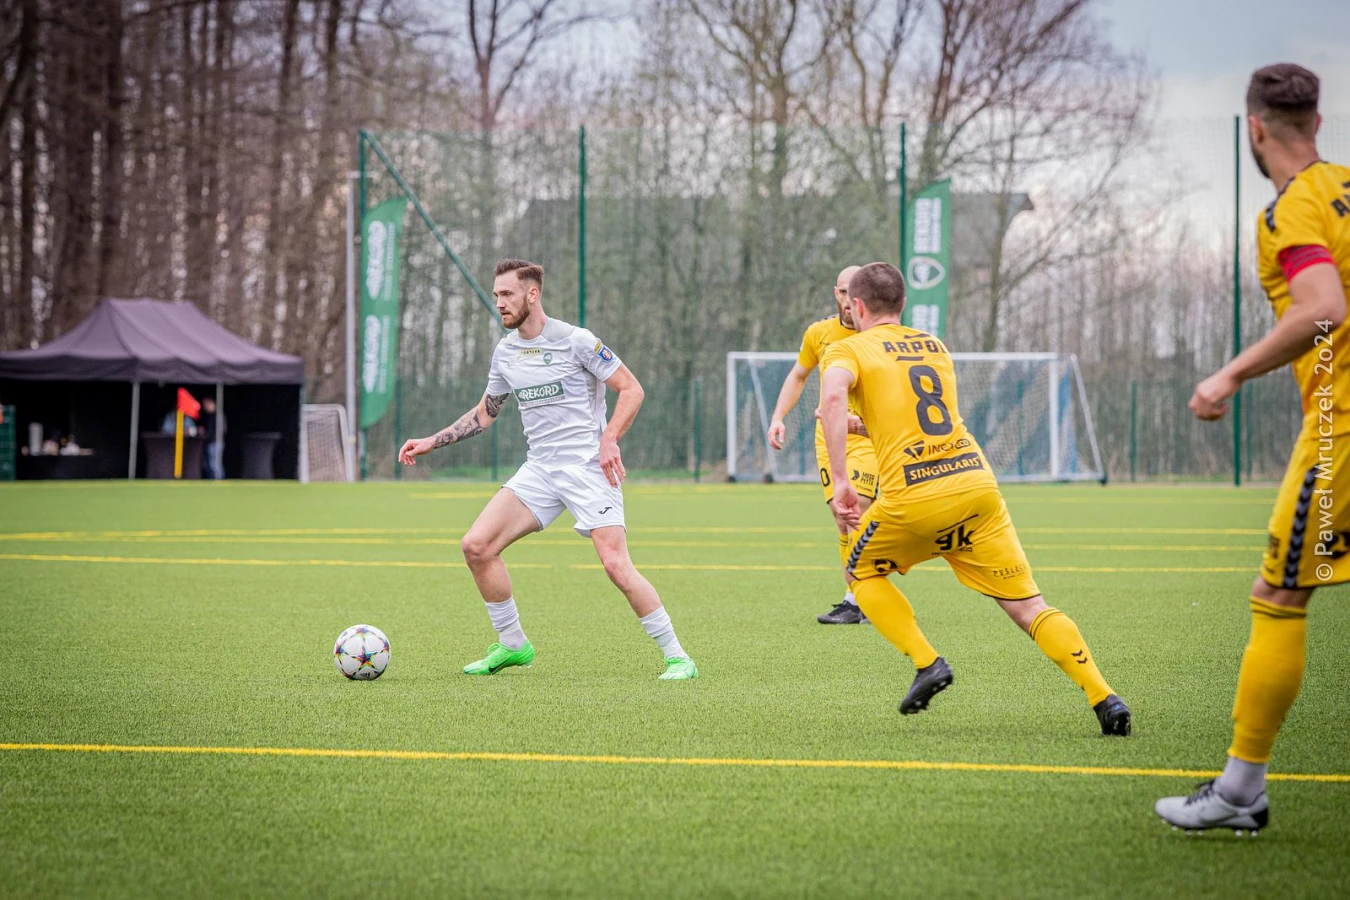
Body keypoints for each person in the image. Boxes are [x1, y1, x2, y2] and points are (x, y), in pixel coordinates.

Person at [1155, 64, 1349, 835]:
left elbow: (1324, 309)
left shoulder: (1292, 209)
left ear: (1256, 128)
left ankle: (1240, 791)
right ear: (1319, 123)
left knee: (1279, 596)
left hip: (1341, 427)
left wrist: (1229, 374)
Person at [818, 262, 1131, 734]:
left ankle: (927, 663)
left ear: (856, 306)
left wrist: (842, 478)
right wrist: (866, 427)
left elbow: (831, 401)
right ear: (902, 304)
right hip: (975, 487)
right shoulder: (934, 345)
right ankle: (1104, 697)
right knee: (1030, 607)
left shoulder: (848, 348)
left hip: (915, 495)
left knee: (860, 572)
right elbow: (915, 417)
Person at [398, 258, 698, 680]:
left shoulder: (577, 341)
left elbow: (631, 389)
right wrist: (433, 440)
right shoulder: (505, 352)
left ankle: (678, 657)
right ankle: (513, 644)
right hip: (540, 470)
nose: (499, 303)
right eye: (496, 295)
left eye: (507, 294)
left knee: (615, 564)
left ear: (532, 294)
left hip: (588, 468)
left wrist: (609, 439)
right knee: (477, 547)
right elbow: (486, 413)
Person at [767, 265, 880, 625]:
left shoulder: (880, 335)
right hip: (829, 438)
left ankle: (859, 599)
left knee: (857, 509)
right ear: (836, 293)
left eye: (854, 292)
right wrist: (778, 417)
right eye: (843, 292)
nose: (849, 300)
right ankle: (858, 597)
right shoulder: (819, 333)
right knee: (842, 518)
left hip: (867, 436)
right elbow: (798, 375)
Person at [200, 397, 225, 480]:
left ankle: (218, 481)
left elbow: (222, 430)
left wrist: (208, 434)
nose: (205, 407)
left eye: (206, 404)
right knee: (209, 465)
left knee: (215, 464)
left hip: (216, 442)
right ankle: (212, 481)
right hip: (210, 442)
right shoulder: (209, 416)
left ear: (212, 403)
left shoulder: (217, 415)